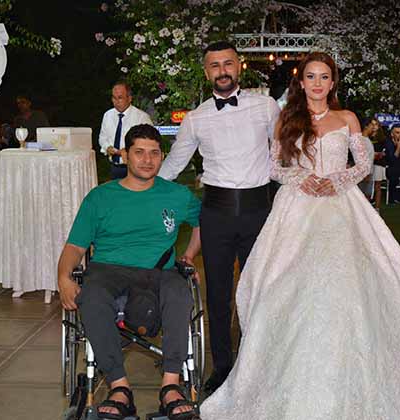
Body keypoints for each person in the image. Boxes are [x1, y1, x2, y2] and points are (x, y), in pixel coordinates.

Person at [199, 52, 400, 420]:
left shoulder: (347, 118)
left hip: (342, 206)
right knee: (285, 288)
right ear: (301, 82)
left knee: (351, 285)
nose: (317, 83)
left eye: (324, 77)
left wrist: (337, 180)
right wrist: (302, 178)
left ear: (333, 83)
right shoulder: (287, 118)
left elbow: (363, 165)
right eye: (311, 76)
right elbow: (274, 166)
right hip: (296, 208)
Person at [158, 41, 280, 394]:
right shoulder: (196, 118)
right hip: (216, 215)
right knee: (218, 296)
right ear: (206, 71)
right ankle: (223, 368)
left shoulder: (267, 107)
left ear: (239, 66)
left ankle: (256, 366)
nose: (222, 71)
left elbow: (284, 154)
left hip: (259, 212)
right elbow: (174, 163)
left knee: (259, 291)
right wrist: (140, 190)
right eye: (215, 65)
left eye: (228, 63)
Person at [57, 124, 202, 420]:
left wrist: (189, 254)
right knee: (92, 297)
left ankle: (171, 386)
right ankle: (119, 387)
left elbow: (204, 223)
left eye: (154, 153)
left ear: (162, 157)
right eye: (139, 152)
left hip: (159, 272)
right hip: (108, 269)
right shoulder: (100, 197)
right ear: (125, 155)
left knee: (179, 293)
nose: (147, 160)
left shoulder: (177, 195)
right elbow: (75, 246)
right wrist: (63, 277)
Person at [98, 81, 153, 179]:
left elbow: (151, 142)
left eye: (120, 98)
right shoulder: (108, 115)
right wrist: (107, 147)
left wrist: (129, 150)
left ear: (129, 98)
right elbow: (102, 137)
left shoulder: (141, 117)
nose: (116, 102)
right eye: (114, 98)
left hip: (136, 167)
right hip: (114, 167)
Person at [363, 117, 384, 207]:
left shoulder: (367, 140)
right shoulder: (362, 140)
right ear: (366, 126)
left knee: (367, 196)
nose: (374, 127)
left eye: (375, 125)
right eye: (372, 125)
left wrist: (376, 154)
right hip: (365, 174)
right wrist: (366, 174)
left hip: (369, 173)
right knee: (364, 198)